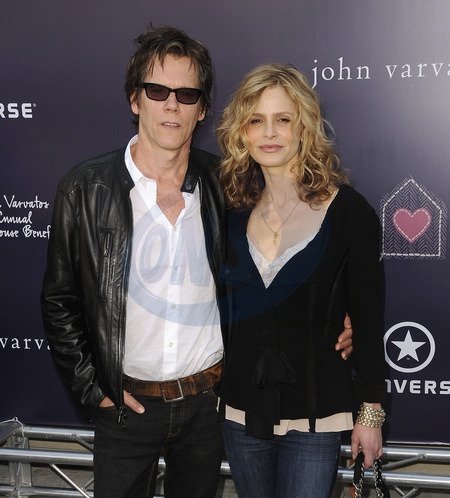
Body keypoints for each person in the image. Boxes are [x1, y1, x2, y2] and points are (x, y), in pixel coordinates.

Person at [40, 25, 354, 498]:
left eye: (187, 94)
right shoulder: (84, 190)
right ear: (134, 99)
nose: (172, 105)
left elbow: (285, 256)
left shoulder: (228, 185)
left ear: (202, 109)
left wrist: (341, 314)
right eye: (157, 90)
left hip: (208, 408)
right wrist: (92, 390)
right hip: (125, 408)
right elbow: (60, 301)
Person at [217, 63, 386, 498]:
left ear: (305, 127)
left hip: (317, 416)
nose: (269, 132)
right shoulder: (229, 212)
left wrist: (370, 415)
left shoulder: (350, 214)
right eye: (256, 120)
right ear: (242, 132)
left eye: (283, 119)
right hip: (240, 411)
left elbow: (367, 321)